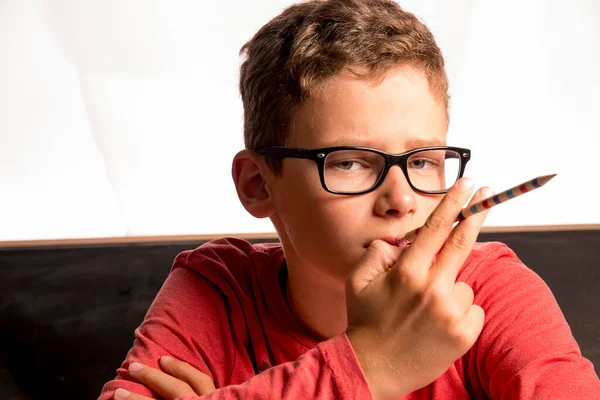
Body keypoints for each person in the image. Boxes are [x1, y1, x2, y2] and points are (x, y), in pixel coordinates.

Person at [99, 0, 600, 398]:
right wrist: (371, 366)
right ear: (258, 184)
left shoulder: (489, 294)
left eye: (423, 161)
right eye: (351, 163)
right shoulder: (217, 290)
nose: (402, 201)